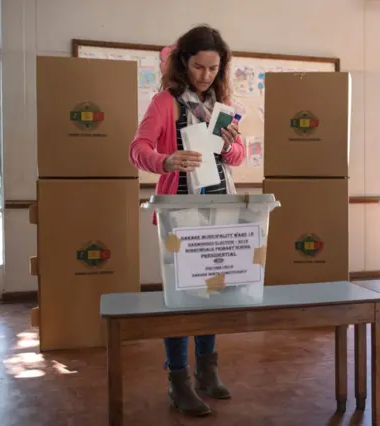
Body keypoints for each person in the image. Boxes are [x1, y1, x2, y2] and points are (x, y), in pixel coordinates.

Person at [129, 25, 245, 416]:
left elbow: (239, 155)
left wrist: (230, 144)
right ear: (183, 62)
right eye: (199, 67)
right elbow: (137, 149)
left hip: (218, 208)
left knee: (211, 290)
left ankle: (207, 372)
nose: (206, 76)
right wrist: (165, 160)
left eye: (214, 68)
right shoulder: (165, 102)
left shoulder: (221, 103)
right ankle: (178, 378)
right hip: (178, 213)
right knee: (180, 299)